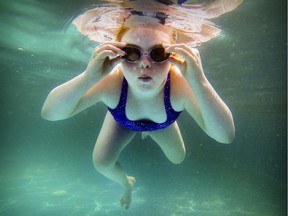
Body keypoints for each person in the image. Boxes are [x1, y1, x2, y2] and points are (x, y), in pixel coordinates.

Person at [41, 0, 241, 209]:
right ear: (118, 54)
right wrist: (89, 77)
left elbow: (225, 135)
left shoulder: (180, 85)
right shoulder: (111, 81)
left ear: (172, 56)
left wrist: (199, 82)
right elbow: (50, 113)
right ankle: (126, 183)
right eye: (132, 53)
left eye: (158, 54)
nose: (144, 63)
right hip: (122, 121)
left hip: (161, 124)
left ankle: (150, 130)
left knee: (178, 158)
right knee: (101, 163)